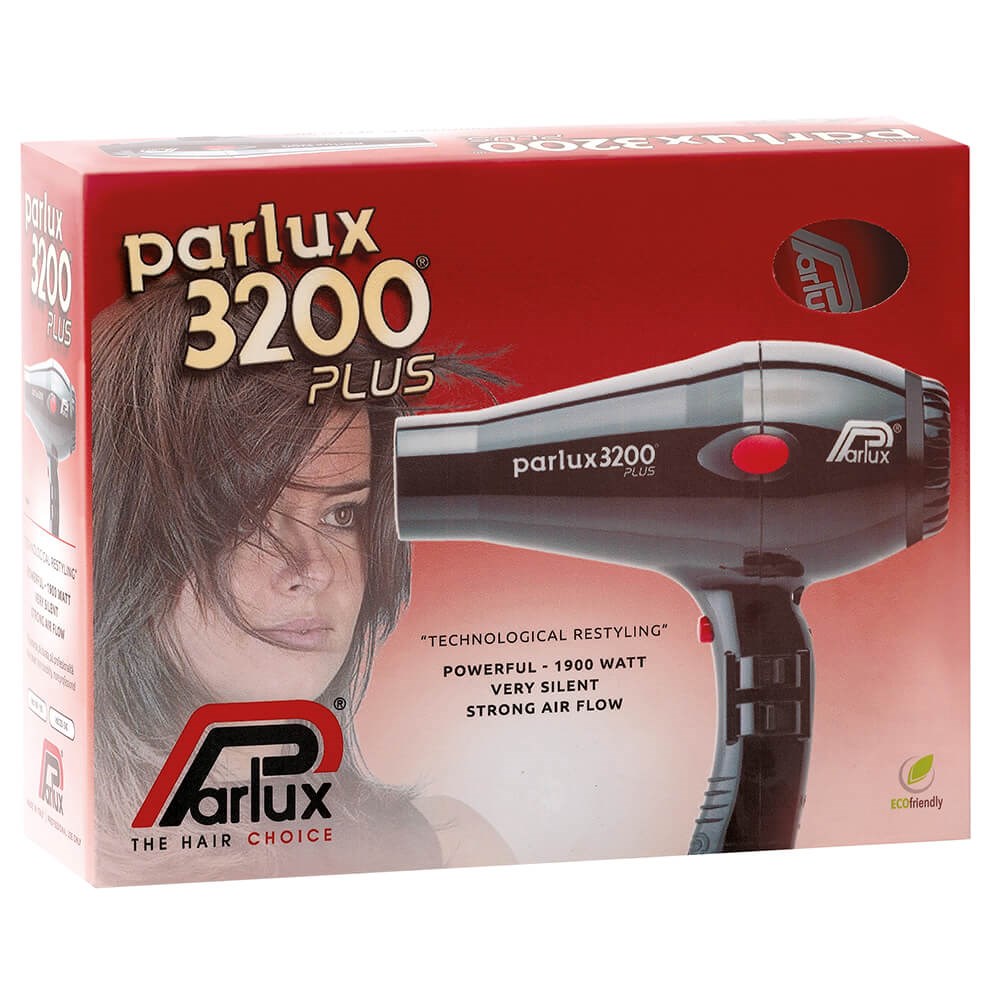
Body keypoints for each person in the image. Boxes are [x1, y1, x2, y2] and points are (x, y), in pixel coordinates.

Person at [91, 261, 512, 883]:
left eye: (342, 513)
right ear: (125, 534)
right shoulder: (61, 860)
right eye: (244, 518)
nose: (311, 570)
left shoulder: (447, 850)